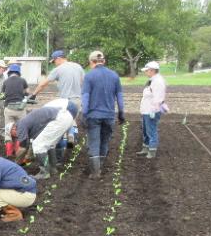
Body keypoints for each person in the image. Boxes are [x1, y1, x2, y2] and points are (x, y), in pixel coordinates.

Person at [81, 50, 125, 178]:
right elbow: (120, 96)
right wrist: (121, 113)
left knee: (94, 142)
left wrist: (84, 114)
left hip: (93, 116)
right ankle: (100, 164)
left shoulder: (89, 76)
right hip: (109, 115)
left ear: (91, 62)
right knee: (105, 141)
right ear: (103, 61)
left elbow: (85, 96)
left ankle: (95, 172)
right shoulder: (114, 75)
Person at [9, 100, 79, 180]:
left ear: (13, 128)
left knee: (39, 145)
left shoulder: (20, 125)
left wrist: (16, 163)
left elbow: (23, 148)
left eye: (13, 135)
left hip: (60, 117)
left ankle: (44, 172)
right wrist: (27, 158)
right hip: (66, 117)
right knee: (49, 144)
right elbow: (30, 150)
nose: (16, 137)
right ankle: (53, 169)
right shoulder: (31, 123)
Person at [30, 50, 84, 117]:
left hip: (67, 102)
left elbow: (43, 84)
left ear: (58, 59)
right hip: (79, 100)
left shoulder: (58, 69)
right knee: (78, 123)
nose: (54, 64)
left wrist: (34, 95)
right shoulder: (78, 67)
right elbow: (83, 83)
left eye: (54, 61)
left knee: (66, 124)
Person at [137, 61, 167, 159]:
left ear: (152, 70)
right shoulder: (152, 80)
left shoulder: (158, 81)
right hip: (146, 110)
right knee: (146, 130)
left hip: (151, 111)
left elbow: (158, 98)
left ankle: (152, 151)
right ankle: (145, 148)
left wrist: (153, 111)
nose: (145, 72)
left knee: (151, 131)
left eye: (147, 70)